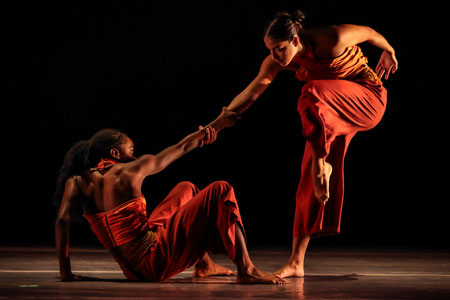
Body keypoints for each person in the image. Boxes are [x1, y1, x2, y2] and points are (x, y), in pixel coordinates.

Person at [210, 9, 398, 278]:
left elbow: (369, 32)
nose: (274, 56)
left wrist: (388, 49)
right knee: (308, 177)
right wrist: (215, 125)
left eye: (279, 49)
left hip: (367, 99)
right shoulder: (276, 62)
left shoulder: (333, 37)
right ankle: (297, 261)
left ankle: (323, 165)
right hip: (329, 111)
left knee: (310, 93)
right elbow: (251, 93)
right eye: (270, 50)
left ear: (296, 40)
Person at [54, 119, 285, 284]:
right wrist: (215, 126)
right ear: (115, 153)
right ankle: (246, 269)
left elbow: (62, 222)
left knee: (187, 189)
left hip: (132, 270)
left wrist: (66, 273)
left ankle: (204, 266)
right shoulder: (129, 171)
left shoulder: (75, 182)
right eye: (130, 149)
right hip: (153, 263)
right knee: (221, 190)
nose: (134, 155)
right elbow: (180, 148)